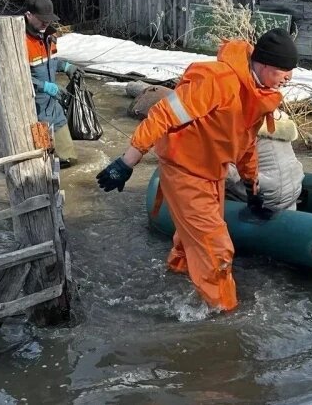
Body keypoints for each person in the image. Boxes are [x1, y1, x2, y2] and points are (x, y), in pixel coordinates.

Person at [95, 28, 298, 311]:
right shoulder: (217, 80)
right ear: (263, 65)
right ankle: (223, 316)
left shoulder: (259, 94)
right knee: (217, 250)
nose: (289, 79)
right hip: (184, 170)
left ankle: (177, 280)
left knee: (191, 241)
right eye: (284, 72)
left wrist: (252, 187)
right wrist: (127, 161)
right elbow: (162, 115)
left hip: (212, 172)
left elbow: (246, 142)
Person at [24, 0, 84, 168]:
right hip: (34, 112)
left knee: (70, 161)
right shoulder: (20, 41)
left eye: (48, 20)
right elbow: (12, 80)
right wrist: (44, 86)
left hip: (54, 107)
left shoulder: (50, 36)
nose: (46, 24)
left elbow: (49, 62)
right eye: (42, 20)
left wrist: (65, 66)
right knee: (41, 166)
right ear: (29, 15)